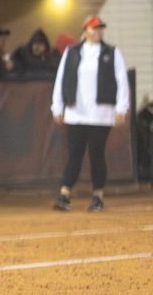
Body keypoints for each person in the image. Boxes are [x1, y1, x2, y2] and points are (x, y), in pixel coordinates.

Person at [50, 15, 128, 212]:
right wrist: (57, 107)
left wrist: (121, 108)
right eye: (94, 28)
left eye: (100, 28)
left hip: (101, 114)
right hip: (76, 112)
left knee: (96, 154)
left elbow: (121, 81)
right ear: (85, 30)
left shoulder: (112, 52)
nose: (98, 32)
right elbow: (61, 80)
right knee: (74, 153)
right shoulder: (72, 52)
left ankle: (97, 197)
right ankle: (65, 194)